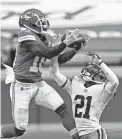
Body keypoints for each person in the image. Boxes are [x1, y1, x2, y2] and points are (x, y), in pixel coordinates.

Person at [1, 8, 85, 139]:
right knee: (19, 130)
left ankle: (80, 137)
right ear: (28, 24)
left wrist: (74, 51)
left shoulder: (44, 39)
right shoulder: (25, 35)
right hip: (21, 87)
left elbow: (58, 58)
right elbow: (47, 53)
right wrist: (65, 43)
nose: (42, 25)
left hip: (38, 84)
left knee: (62, 109)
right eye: (38, 22)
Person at [50, 52, 119, 139]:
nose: (100, 77)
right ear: (88, 76)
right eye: (97, 75)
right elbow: (54, 74)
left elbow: (115, 82)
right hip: (80, 135)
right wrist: (55, 53)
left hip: (94, 132)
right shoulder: (75, 85)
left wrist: (100, 62)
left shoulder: (101, 90)